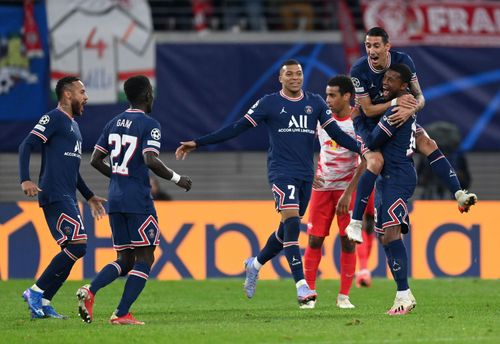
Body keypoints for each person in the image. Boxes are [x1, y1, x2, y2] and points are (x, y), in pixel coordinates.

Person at [175, 59, 360, 308]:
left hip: (306, 176)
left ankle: (255, 264)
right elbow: (237, 127)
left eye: (299, 74)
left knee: (284, 233)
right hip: (282, 173)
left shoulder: (315, 103)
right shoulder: (269, 103)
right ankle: (302, 287)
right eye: (290, 74)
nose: (295, 78)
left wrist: (364, 149)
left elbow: (337, 134)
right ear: (280, 79)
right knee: (293, 225)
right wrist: (198, 142)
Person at [76, 75, 192, 325]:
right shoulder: (150, 125)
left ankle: (90, 290)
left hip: (115, 199)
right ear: (148, 94)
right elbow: (150, 159)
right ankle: (121, 313)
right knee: (145, 258)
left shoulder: (113, 122)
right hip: (138, 200)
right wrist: (177, 178)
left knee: (125, 259)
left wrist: (119, 176)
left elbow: (95, 160)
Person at [345, 27, 477, 244]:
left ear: (387, 47)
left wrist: (411, 109)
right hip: (369, 125)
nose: (371, 50)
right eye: (368, 45)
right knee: (376, 161)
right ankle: (356, 222)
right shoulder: (359, 69)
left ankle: (459, 194)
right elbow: (367, 110)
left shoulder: (404, 61)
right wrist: (397, 103)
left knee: (427, 142)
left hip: (398, 118)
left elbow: (420, 97)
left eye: (376, 45)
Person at [18, 76, 107, 319]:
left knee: (72, 248)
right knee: (78, 245)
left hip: (67, 193)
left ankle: (45, 302)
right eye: (82, 92)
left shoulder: (74, 127)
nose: (85, 97)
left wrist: (88, 196)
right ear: (67, 94)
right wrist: (25, 179)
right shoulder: (54, 118)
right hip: (54, 192)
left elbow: (72, 169)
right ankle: (36, 291)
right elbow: (26, 145)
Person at [303, 75, 375, 309]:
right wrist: (308, 171)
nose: (328, 100)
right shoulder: (321, 118)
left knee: (348, 242)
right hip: (322, 189)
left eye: (332, 95)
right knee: (314, 240)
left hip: (348, 189)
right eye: (326, 95)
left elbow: (365, 159)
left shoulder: (358, 122)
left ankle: (344, 296)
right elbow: (302, 144)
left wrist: (348, 193)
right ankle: (309, 295)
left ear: (347, 96)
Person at [352, 63, 418, 315]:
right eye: (384, 78)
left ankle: (403, 295)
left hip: (397, 177)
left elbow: (370, 142)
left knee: (391, 235)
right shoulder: (399, 106)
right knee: (386, 237)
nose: (384, 82)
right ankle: (403, 293)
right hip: (387, 177)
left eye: (391, 79)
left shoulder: (396, 110)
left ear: (403, 85)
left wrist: (358, 120)